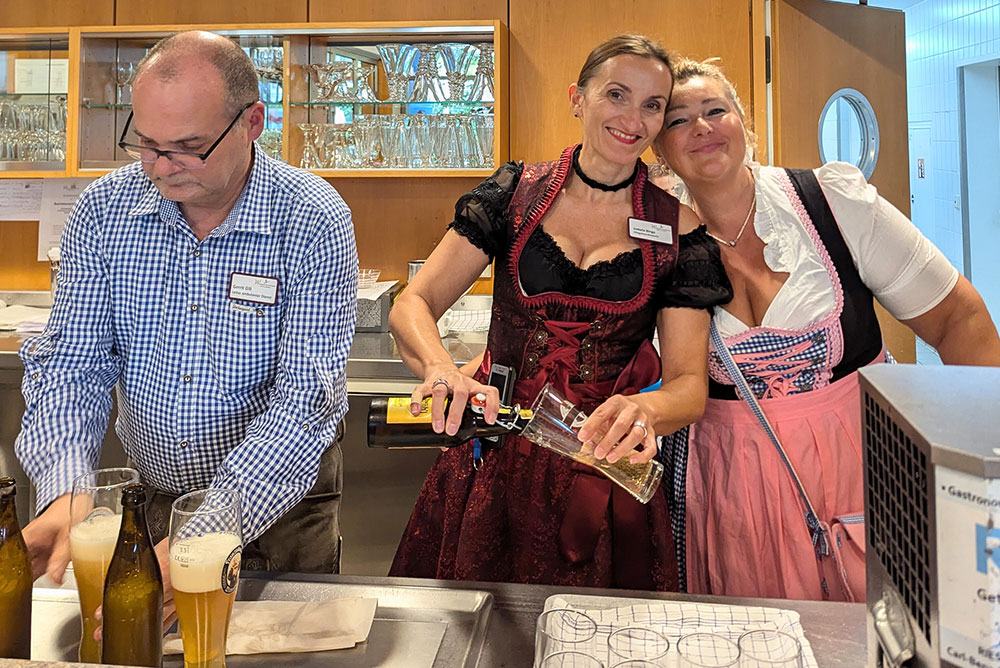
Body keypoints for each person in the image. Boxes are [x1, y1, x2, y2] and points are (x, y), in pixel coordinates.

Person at [15, 31, 357, 618]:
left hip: (278, 510)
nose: (162, 167)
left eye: (188, 147)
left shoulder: (312, 218)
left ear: (252, 123)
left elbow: (304, 401)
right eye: (147, 145)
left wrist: (209, 532)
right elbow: (73, 365)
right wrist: (68, 489)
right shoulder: (104, 212)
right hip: (150, 499)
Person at [388, 35, 732, 590]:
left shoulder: (679, 231)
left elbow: (689, 385)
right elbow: (415, 303)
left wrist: (644, 411)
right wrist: (440, 368)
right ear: (578, 98)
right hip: (490, 460)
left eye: (652, 105)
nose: (633, 119)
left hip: (601, 469)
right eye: (616, 95)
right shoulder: (514, 195)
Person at [652, 57, 1000, 601]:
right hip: (733, 496)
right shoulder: (656, 245)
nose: (700, 127)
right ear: (658, 147)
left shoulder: (830, 202)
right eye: (678, 119)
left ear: (744, 122)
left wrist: (983, 467)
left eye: (715, 110)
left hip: (865, 468)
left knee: (890, 625)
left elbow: (958, 317)